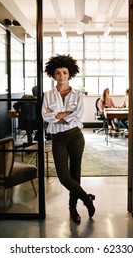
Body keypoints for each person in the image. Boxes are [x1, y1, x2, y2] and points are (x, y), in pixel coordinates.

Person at [41, 54, 95, 224]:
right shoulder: (48, 95)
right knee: (64, 177)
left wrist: (56, 115)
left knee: (75, 173)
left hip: (75, 137)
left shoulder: (78, 94)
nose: (61, 76)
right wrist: (64, 115)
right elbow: (45, 116)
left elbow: (78, 115)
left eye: (64, 72)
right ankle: (87, 199)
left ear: (70, 73)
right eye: (58, 73)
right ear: (53, 75)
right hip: (57, 138)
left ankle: (73, 208)